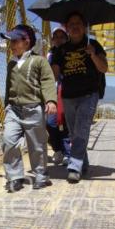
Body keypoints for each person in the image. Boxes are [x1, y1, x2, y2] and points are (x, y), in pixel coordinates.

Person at [51, 12, 108, 183]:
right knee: (75, 132)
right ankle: (83, 164)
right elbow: (54, 74)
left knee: (82, 128)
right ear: (67, 28)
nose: (75, 26)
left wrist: (93, 55)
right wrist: (52, 60)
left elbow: (104, 68)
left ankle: (74, 166)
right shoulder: (61, 50)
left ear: (84, 27)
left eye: (78, 23)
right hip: (68, 95)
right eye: (71, 24)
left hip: (89, 94)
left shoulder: (94, 44)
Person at [0, 24, 57, 192]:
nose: (11, 45)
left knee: (37, 145)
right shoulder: (11, 64)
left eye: (15, 41)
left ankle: (41, 175)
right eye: (10, 42)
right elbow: (7, 87)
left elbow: (47, 81)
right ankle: (15, 176)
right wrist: (6, 105)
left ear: (27, 42)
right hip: (14, 110)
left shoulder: (39, 61)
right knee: (8, 141)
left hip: (33, 109)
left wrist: (51, 101)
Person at [46, 26, 71, 166]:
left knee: (66, 123)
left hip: (68, 92)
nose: (59, 39)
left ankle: (68, 153)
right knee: (50, 123)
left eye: (62, 37)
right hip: (53, 93)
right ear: (52, 40)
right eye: (56, 37)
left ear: (67, 39)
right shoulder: (49, 55)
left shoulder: (70, 52)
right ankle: (58, 149)